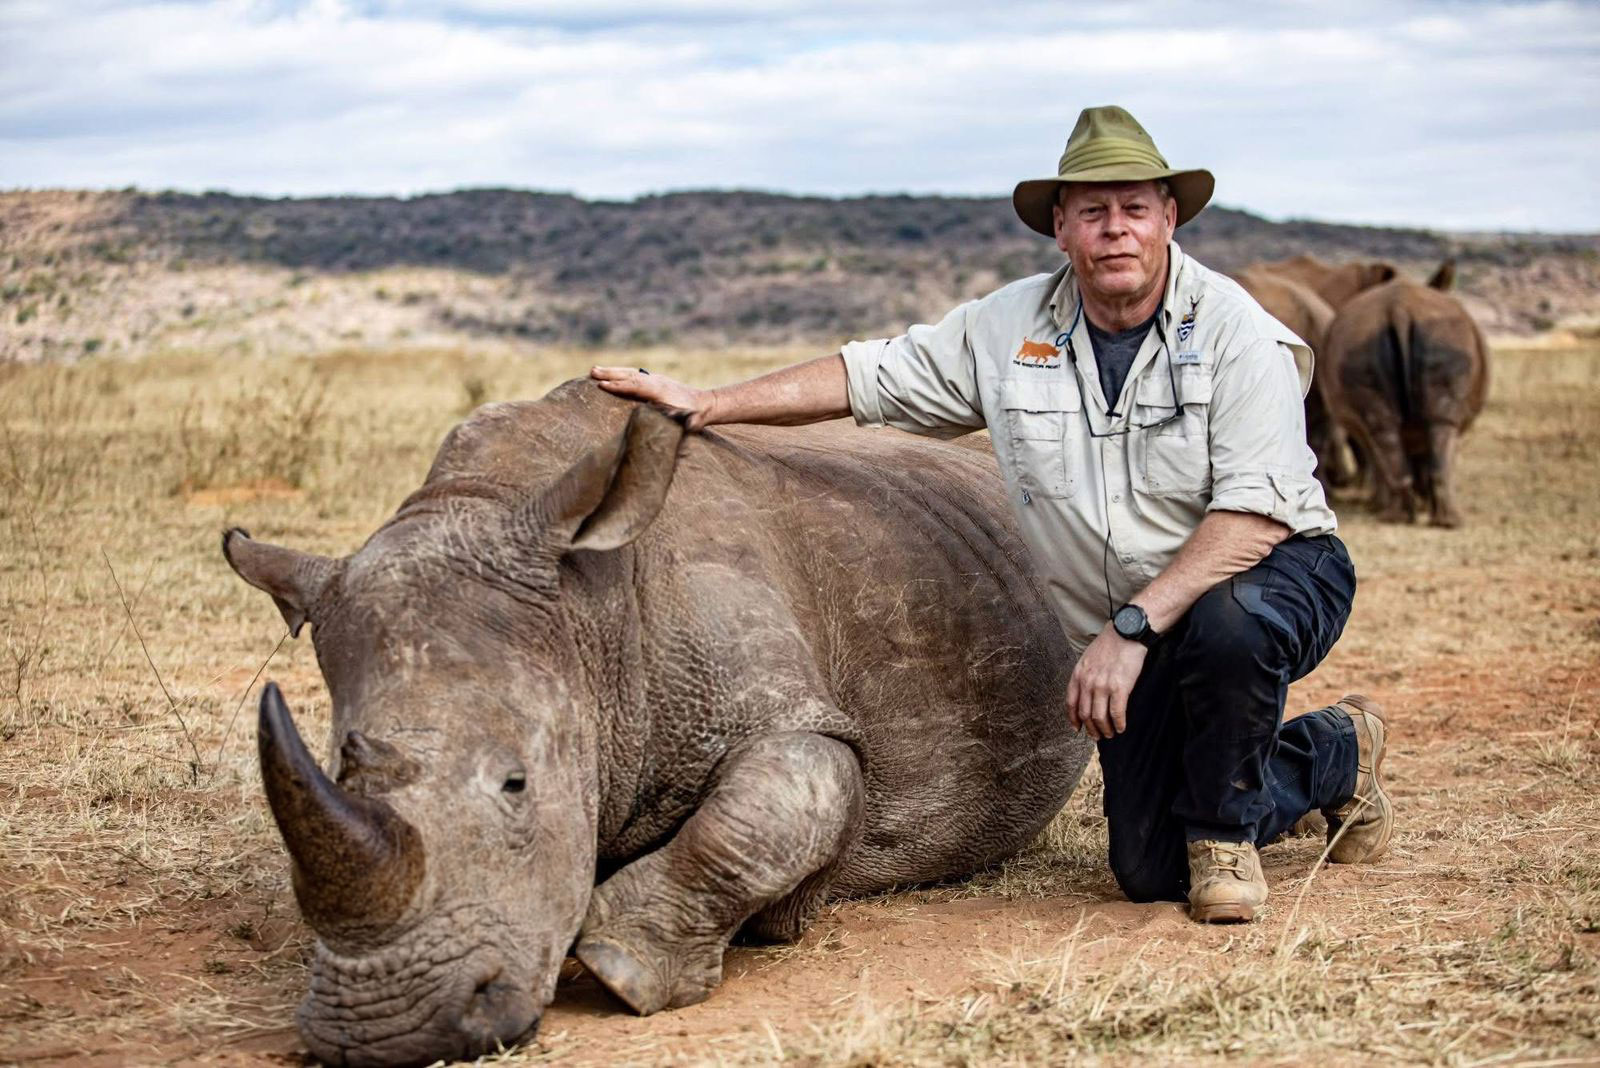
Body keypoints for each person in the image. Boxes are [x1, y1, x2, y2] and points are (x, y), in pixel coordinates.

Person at [590, 105, 1393, 923]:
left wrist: (1126, 631)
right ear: (1061, 228)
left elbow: (1252, 517)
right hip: (1145, 615)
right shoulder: (1007, 328)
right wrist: (710, 402)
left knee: (1231, 628)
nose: (1115, 230)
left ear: (1168, 219)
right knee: (1147, 866)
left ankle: (1226, 840)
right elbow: (867, 379)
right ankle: (1334, 752)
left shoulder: (1233, 332)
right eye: (1092, 212)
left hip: (1272, 570)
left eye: (1134, 209)